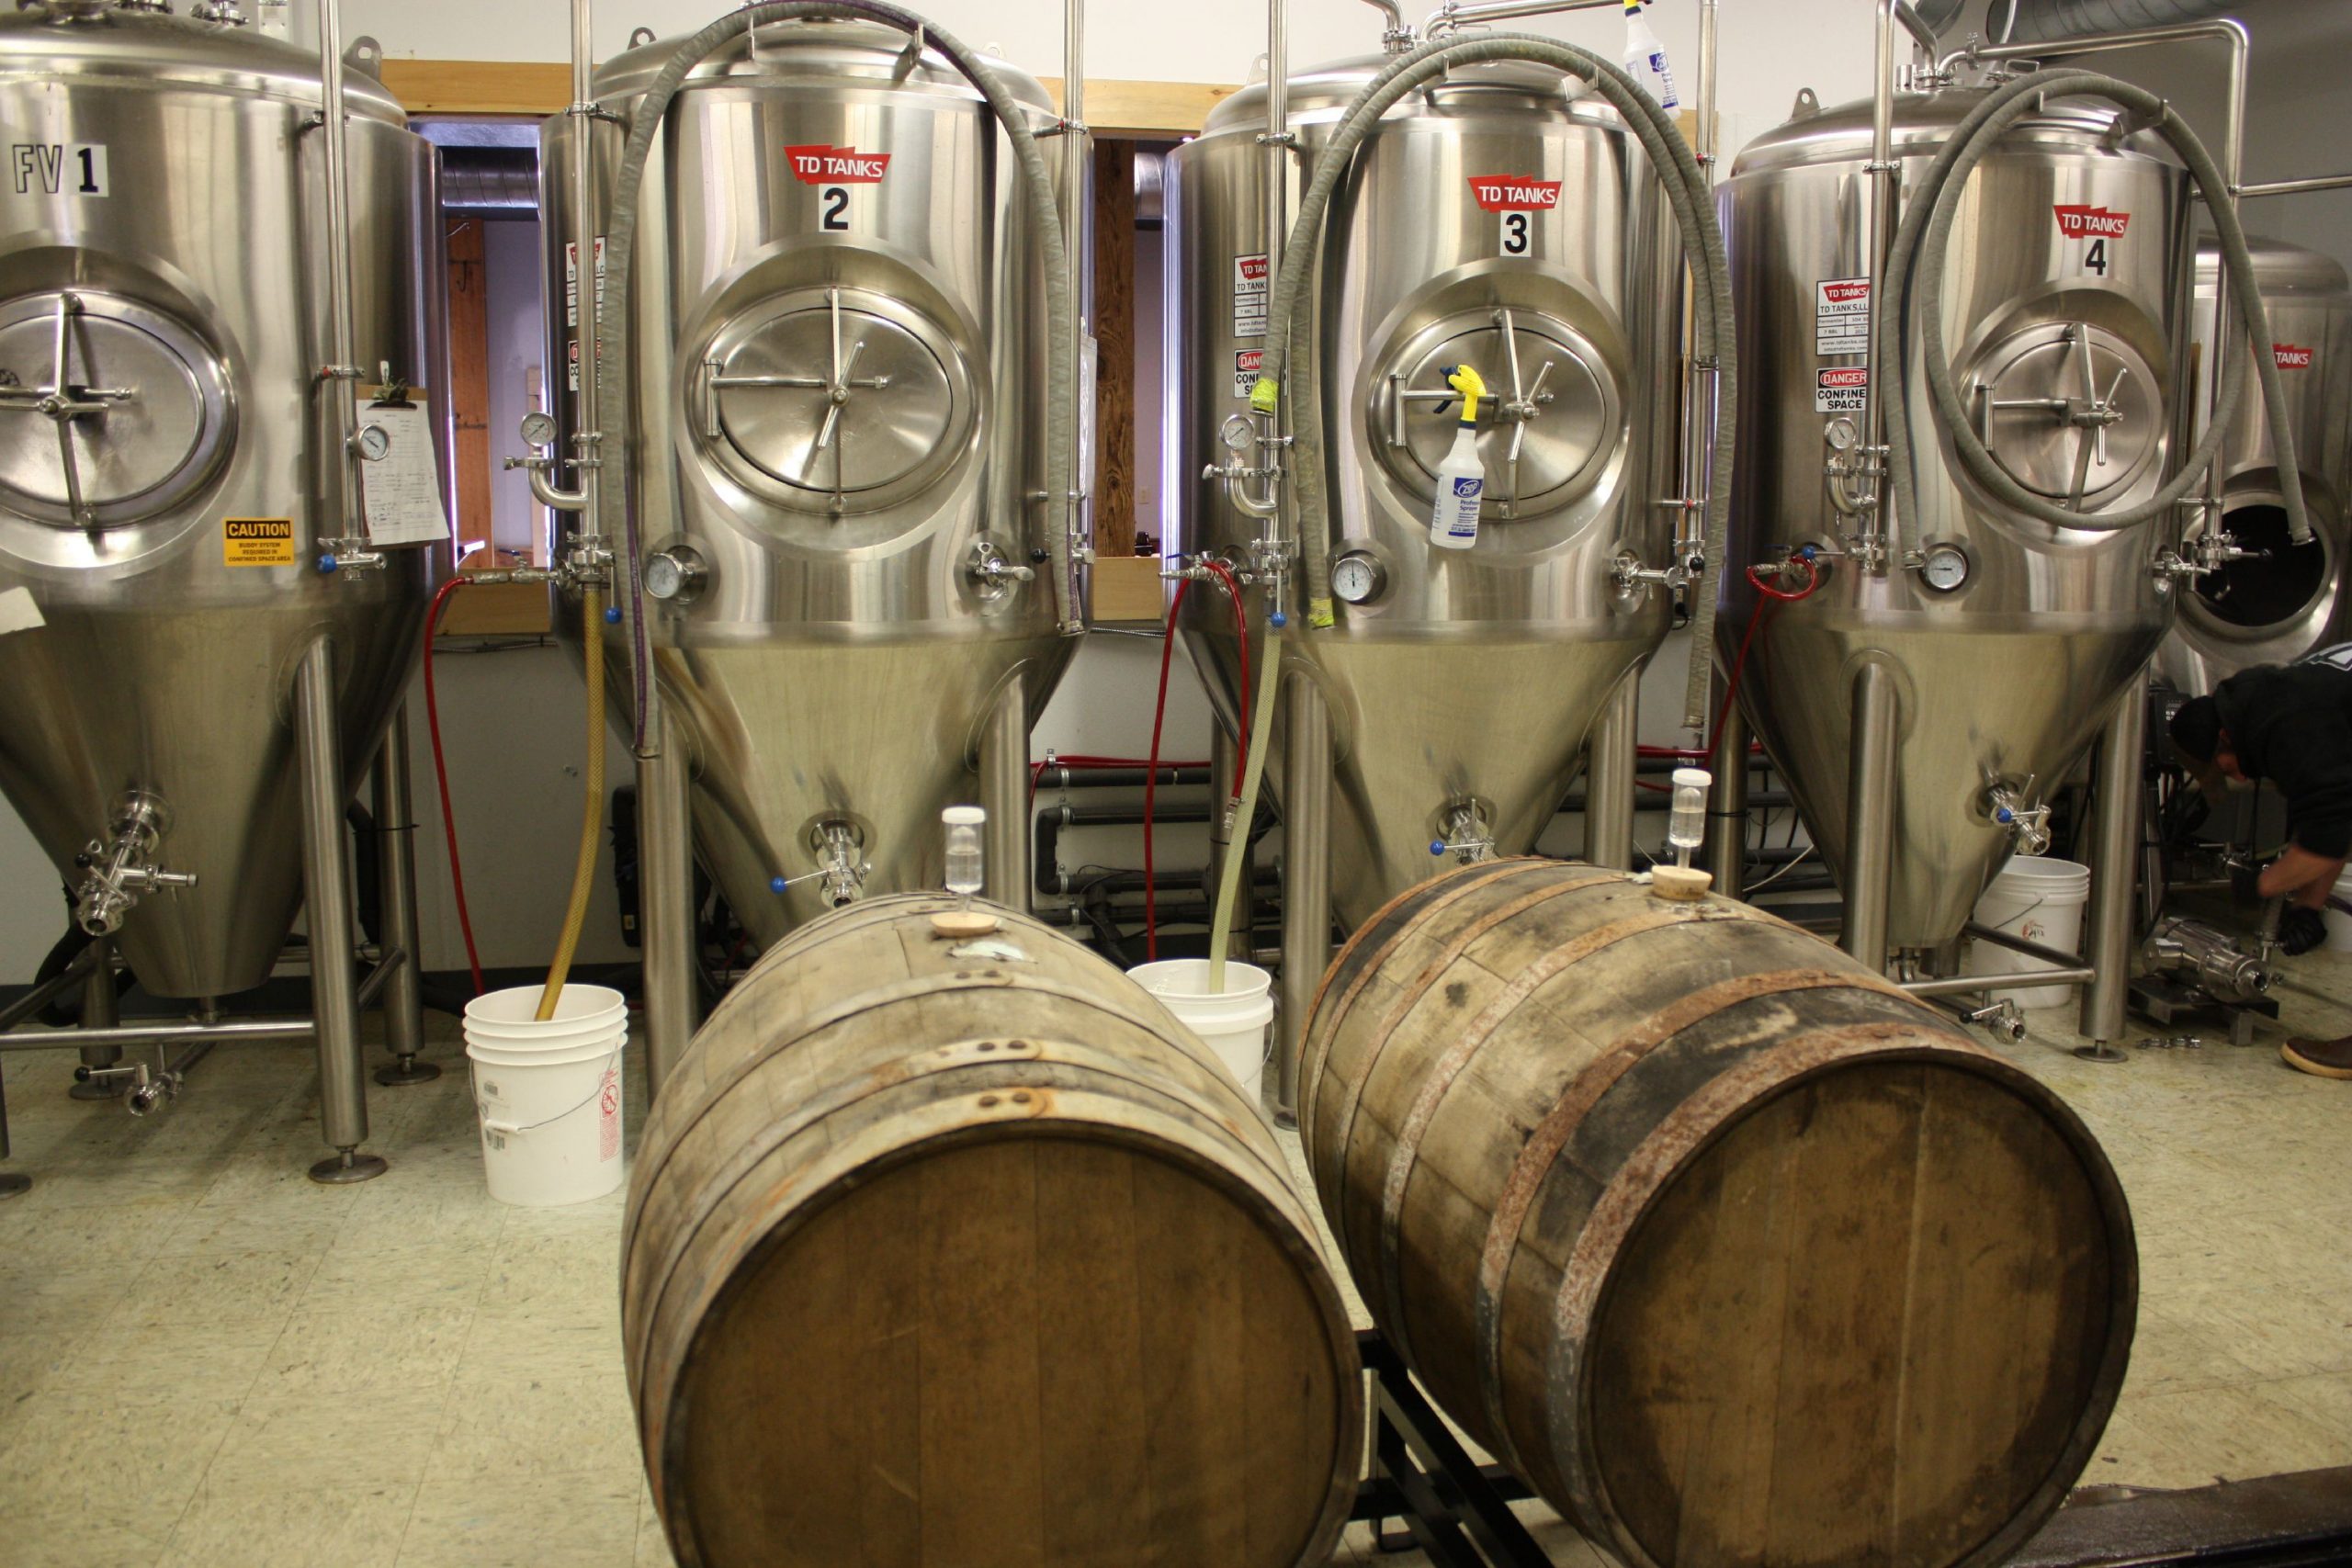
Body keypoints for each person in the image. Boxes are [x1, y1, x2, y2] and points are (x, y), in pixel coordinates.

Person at [2170, 660, 2352, 1078]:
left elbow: (2325, 838)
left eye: (2224, 768)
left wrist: (2260, 886)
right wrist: (2308, 905)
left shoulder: (2286, 727)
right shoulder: (2264, 709)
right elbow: (2333, 818)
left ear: (2224, 738)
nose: (2232, 776)